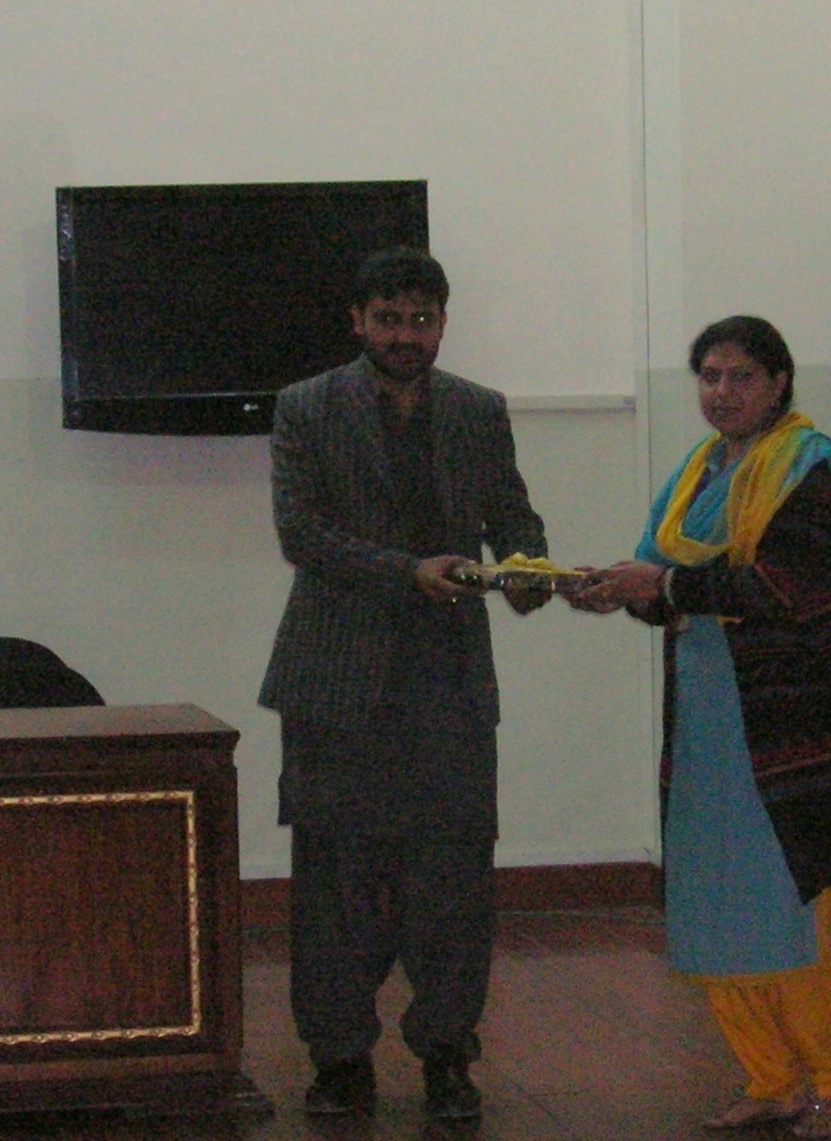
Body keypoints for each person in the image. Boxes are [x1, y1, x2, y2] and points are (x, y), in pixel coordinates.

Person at [568, 317, 831, 1139]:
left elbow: (783, 587)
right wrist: (617, 589)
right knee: (714, 903)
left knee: (796, 909)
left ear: (779, 382)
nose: (722, 392)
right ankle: (770, 1079)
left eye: (740, 376)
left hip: (791, 735)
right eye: (709, 376)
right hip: (709, 729)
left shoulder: (810, 468)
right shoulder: (698, 474)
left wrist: (662, 587)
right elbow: (670, 583)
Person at [258, 246, 549, 1121]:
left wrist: (532, 570)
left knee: (454, 882)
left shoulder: (478, 410)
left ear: (443, 323)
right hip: (335, 684)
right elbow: (301, 534)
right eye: (388, 319)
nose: (405, 336)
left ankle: (447, 1055)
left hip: (449, 683)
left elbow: (514, 516)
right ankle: (340, 1057)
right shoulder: (305, 406)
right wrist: (407, 571)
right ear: (357, 321)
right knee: (335, 883)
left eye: (421, 320)